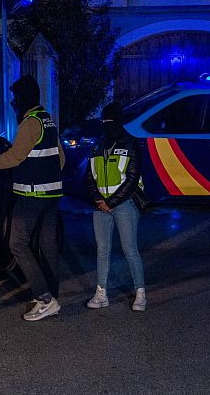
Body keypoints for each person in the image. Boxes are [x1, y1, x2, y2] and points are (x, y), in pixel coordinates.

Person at [0, 75, 65, 322]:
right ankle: (51, 295)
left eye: (14, 99)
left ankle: (44, 299)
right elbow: (61, 158)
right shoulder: (47, 119)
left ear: (22, 99)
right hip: (52, 195)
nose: (13, 103)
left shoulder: (30, 123)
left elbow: (14, 157)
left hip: (32, 195)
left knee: (17, 243)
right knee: (48, 247)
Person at [84, 101, 147, 311]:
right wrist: (99, 200)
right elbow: (89, 176)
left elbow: (132, 178)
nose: (106, 125)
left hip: (124, 205)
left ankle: (140, 293)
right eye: (104, 121)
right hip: (100, 206)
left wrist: (110, 202)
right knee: (102, 251)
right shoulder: (97, 145)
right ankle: (101, 294)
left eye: (109, 121)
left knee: (130, 250)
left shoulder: (131, 144)